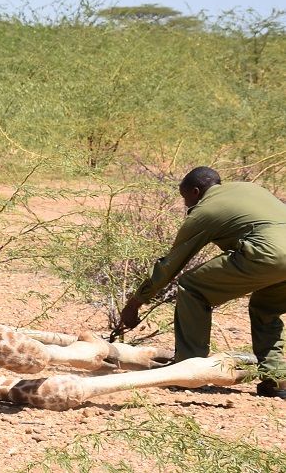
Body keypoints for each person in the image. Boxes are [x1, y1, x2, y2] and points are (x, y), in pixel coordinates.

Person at [119, 166, 286, 398]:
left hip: (268, 253)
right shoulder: (247, 188)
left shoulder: (204, 210)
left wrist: (135, 302)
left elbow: (170, 265)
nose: (186, 205)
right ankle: (275, 380)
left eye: (185, 197)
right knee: (265, 309)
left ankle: (188, 370)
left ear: (196, 191)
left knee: (192, 287)